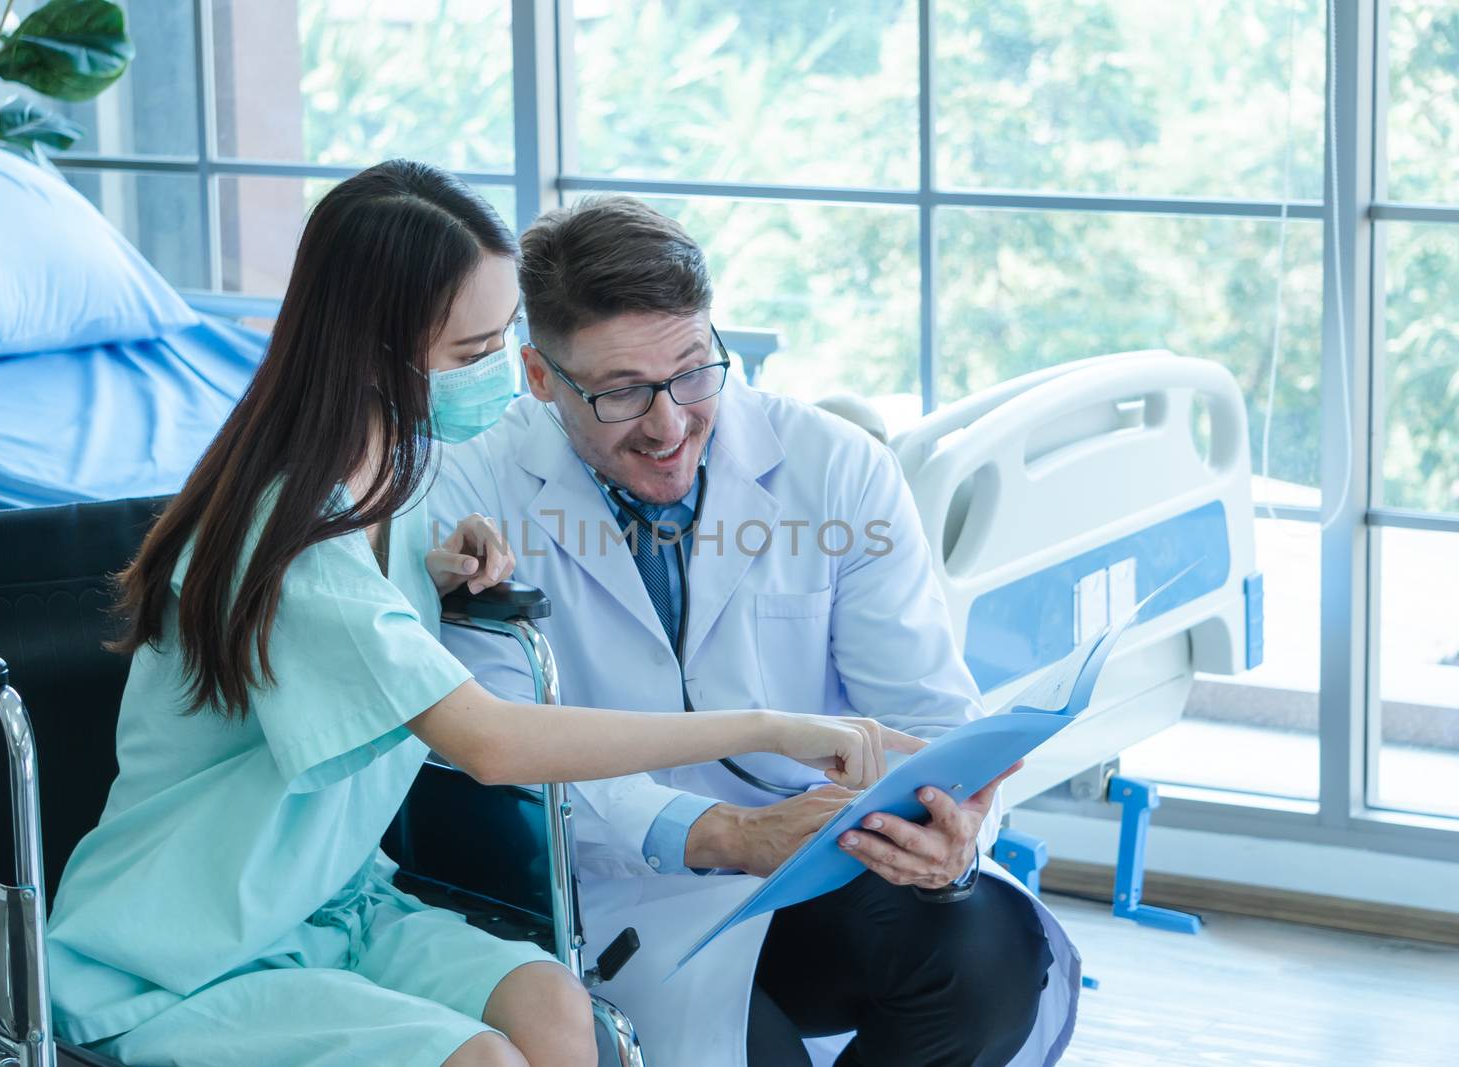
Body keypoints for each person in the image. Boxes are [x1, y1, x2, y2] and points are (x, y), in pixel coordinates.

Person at [43, 162, 916, 1067]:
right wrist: (778, 727)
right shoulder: (292, 541)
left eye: (501, 339)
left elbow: (390, 607)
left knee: (550, 1003)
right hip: (179, 952)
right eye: (470, 355)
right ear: (375, 355)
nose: (505, 375)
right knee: (484, 1062)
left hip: (334, 902)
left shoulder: (402, 492)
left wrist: (444, 560)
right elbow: (492, 743)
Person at [430, 197, 1082, 1067]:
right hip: (622, 894)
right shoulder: (467, 492)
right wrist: (725, 834)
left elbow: (927, 716)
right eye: (623, 392)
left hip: (823, 866)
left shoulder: (836, 468)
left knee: (990, 955)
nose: (669, 424)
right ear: (541, 378)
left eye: (695, 370)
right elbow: (507, 761)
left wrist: (951, 830)